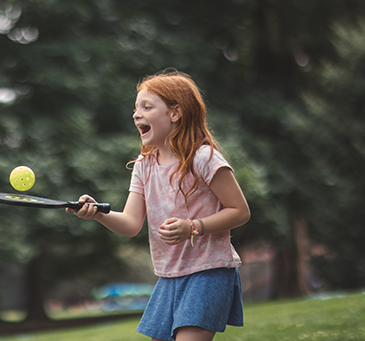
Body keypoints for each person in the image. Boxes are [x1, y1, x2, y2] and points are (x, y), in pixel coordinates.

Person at [67, 70, 250, 341]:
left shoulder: (204, 158)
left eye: (146, 107)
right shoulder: (143, 166)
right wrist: (98, 215)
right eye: (135, 108)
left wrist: (193, 227)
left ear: (175, 113)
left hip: (209, 271)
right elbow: (131, 224)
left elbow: (240, 211)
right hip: (169, 277)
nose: (136, 114)